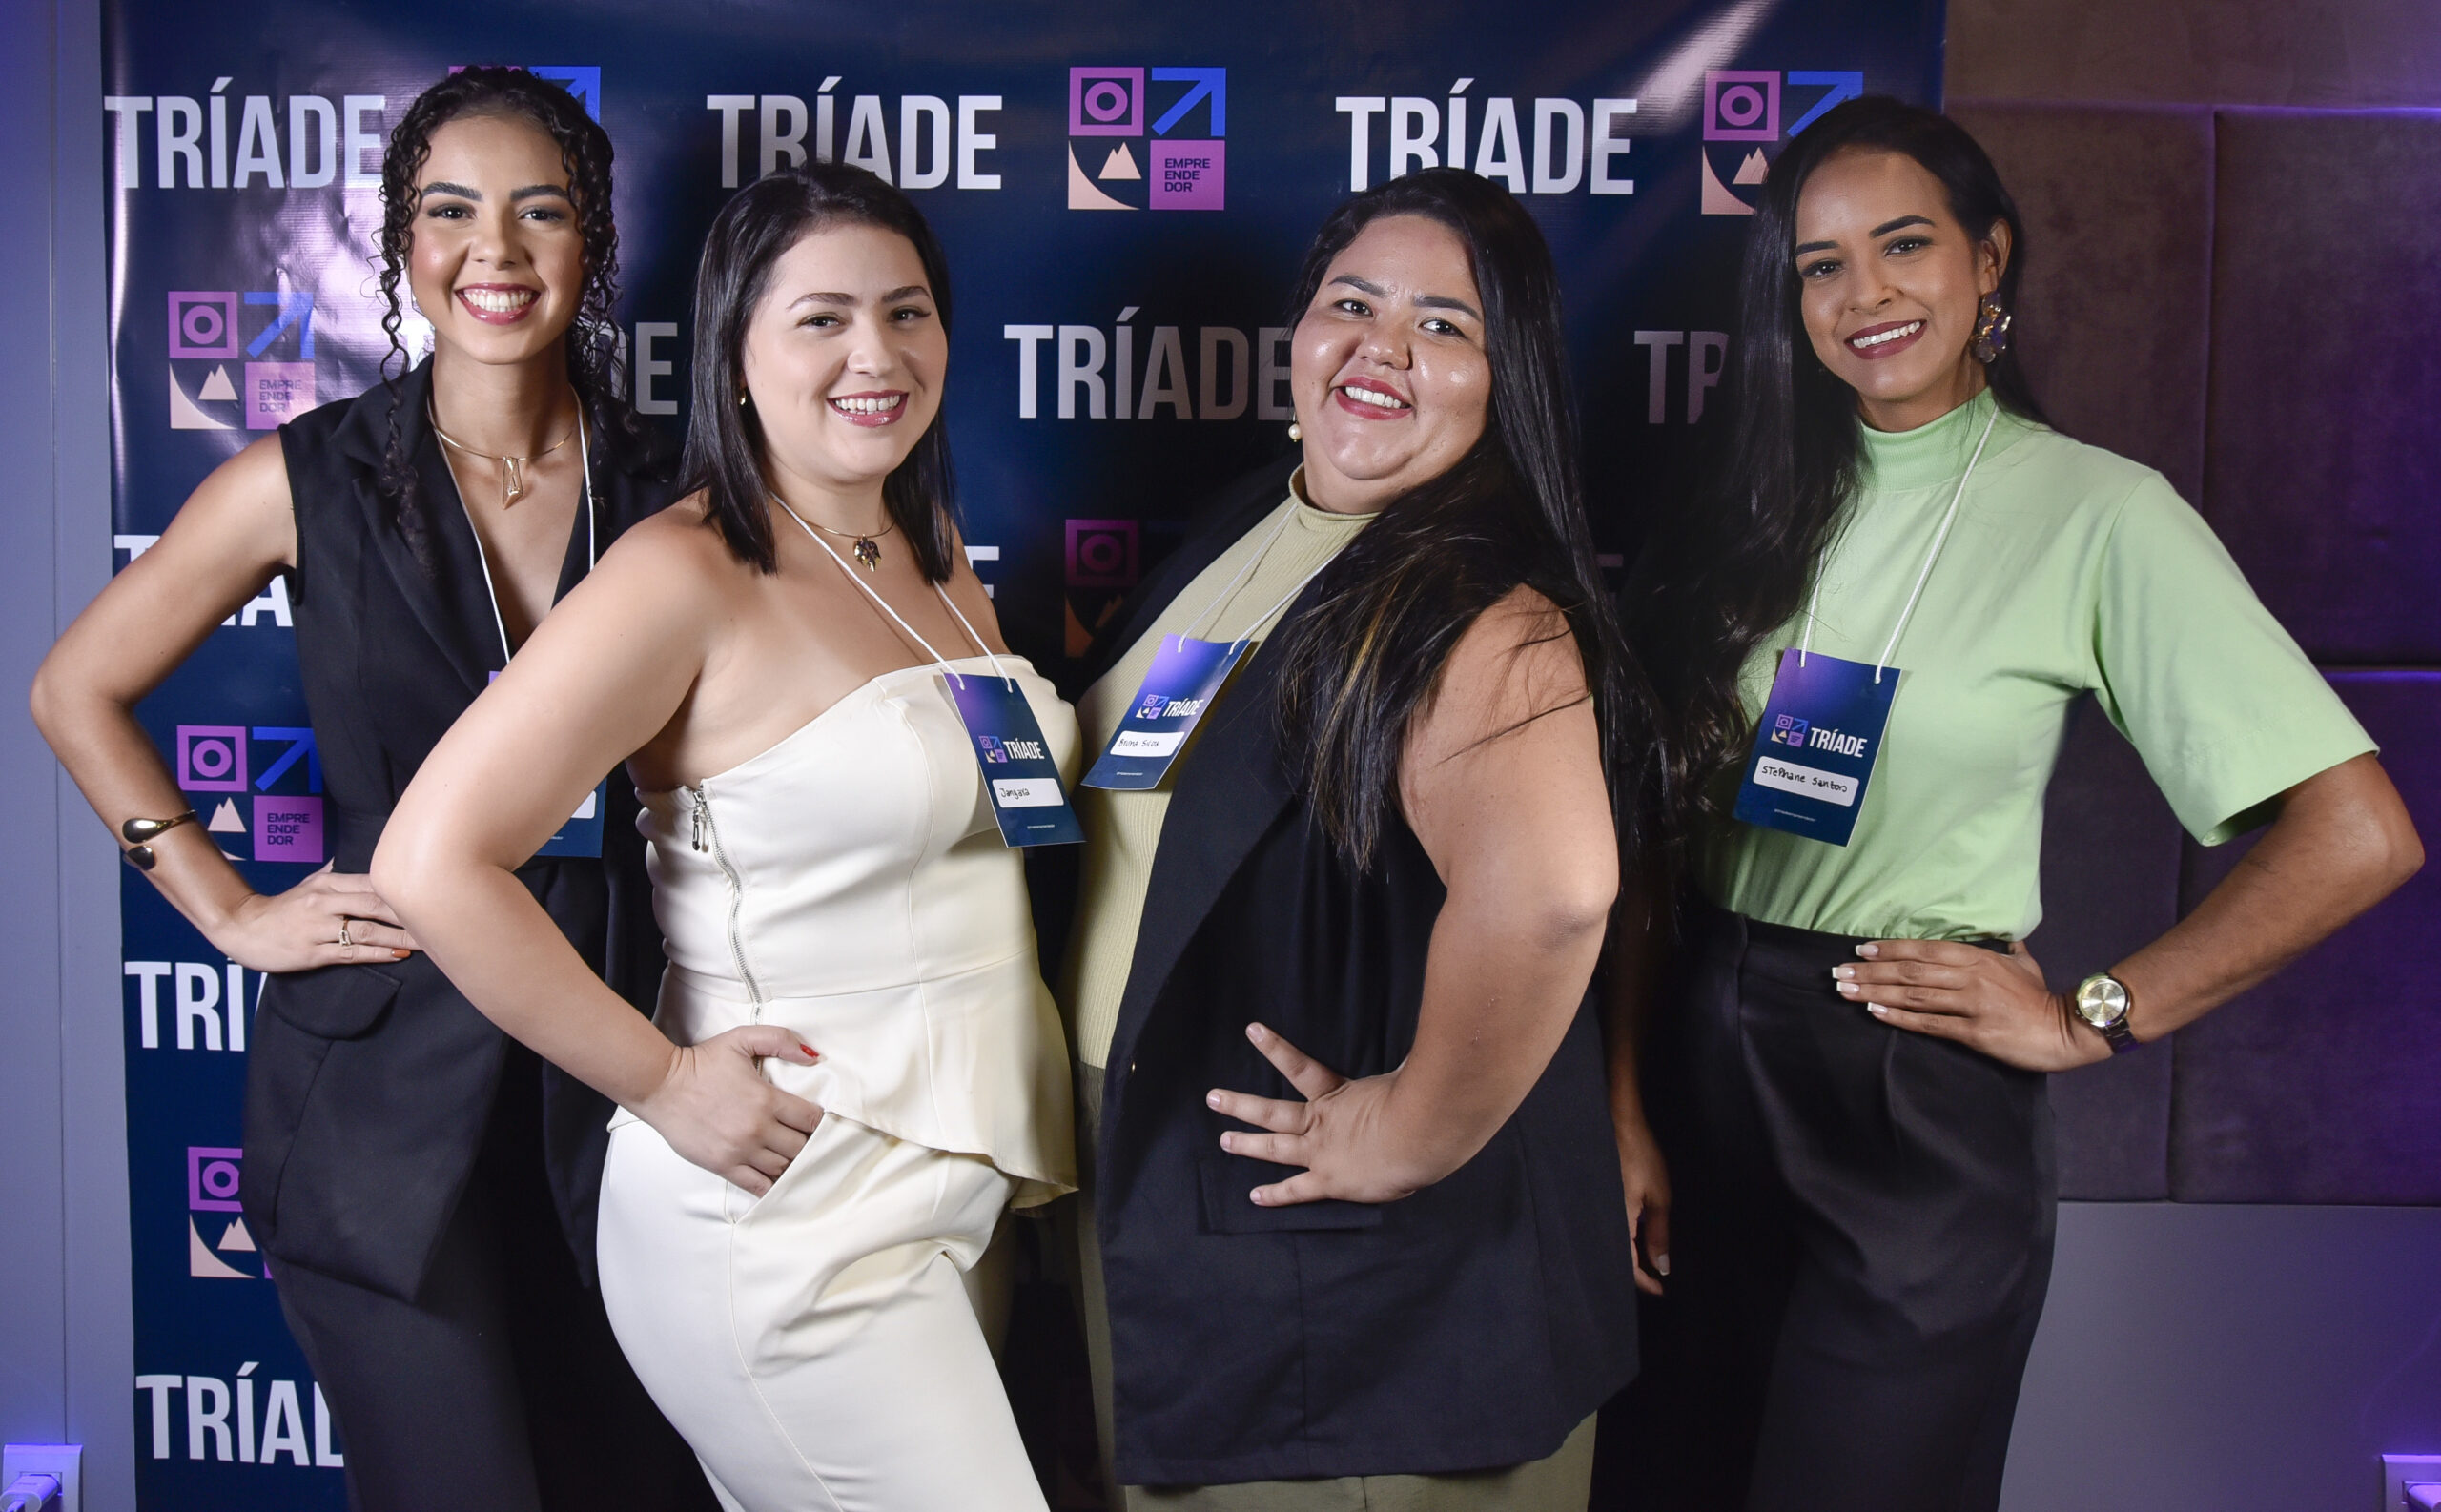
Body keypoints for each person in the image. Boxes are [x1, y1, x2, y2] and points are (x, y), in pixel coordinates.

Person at [1610, 96, 2423, 1512]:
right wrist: (1624, 1104)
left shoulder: (2102, 514)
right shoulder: (1748, 503)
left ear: (1989, 259)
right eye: (1821, 264)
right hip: (1700, 1061)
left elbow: (2360, 833)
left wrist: (2092, 1014)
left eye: (1905, 245)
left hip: (1905, 1094)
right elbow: (1647, 843)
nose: (1865, 294)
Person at [30, 69, 712, 1511]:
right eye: (450, 210)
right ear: (401, 242)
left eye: (541, 211)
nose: (495, 250)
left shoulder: (679, 486)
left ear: (593, 240)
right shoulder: (305, 477)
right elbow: (71, 689)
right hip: (381, 1096)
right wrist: (229, 911)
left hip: (619, 1060)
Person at [373, 161, 1075, 1512]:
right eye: (821, 319)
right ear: (735, 355)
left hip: (957, 1182)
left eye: (907, 311)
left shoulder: (928, 550)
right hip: (786, 1212)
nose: (876, 355)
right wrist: (661, 1079)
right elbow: (430, 863)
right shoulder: (681, 570)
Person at [1053, 167, 1653, 1510]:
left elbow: (1556, 894)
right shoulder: (1260, 522)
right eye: (1354, 304)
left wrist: (1413, 1129)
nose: (1384, 346)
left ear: (1505, 379)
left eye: (1444, 325)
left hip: (1361, 1297)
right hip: (1182, 1207)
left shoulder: (1482, 605)